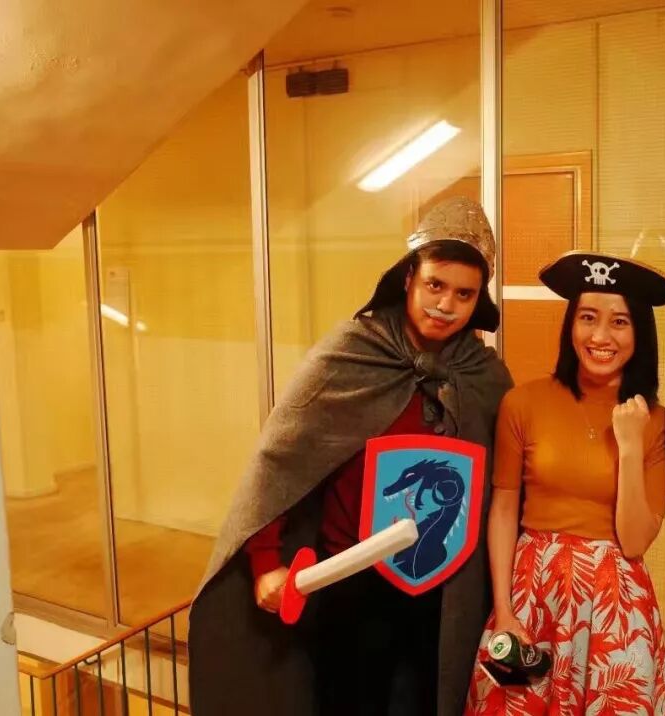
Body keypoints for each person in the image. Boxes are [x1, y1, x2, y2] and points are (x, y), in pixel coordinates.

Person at [188, 197, 512, 716]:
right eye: (435, 285)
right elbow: (281, 459)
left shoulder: (484, 375)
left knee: (433, 703)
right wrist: (266, 561)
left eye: (464, 293)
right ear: (409, 277)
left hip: (445, 592)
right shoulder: (354, 351)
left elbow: (502, 486)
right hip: (352, 582)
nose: (446, 304)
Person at [466, 250, 665, 715]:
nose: (600, 336)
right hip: (532, 594)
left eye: (619, 322)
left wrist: (630, 446)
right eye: (588, 317)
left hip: (615, 606)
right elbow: (503, 508)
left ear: (640, 334)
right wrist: (504, 609)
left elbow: (635, 541)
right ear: (571, 326)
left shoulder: (657, 422)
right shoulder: (522, 403)